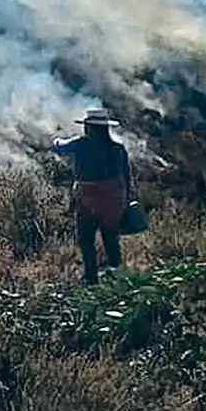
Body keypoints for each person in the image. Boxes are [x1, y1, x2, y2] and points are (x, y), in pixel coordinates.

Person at [51, 108, 136, 286]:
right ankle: (117, 276)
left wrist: (55, 138)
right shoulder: (118, 149)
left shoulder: (81, 144)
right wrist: (126, 201)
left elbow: (59, 147)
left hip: (87, 200)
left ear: (88, 127)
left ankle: (91, 278)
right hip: (114, 202)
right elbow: (127, 178)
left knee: (86, 239)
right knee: (111, 238)